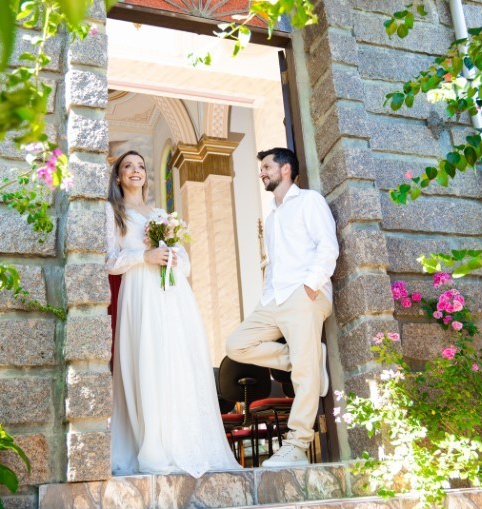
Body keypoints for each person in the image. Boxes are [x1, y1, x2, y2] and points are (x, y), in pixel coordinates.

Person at [106, 150, 241, 477]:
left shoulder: (159, 214)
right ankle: (151, 446)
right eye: (128, 166)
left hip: (170, 296)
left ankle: (180, 440)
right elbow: (109, 261)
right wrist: (145, 256)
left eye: (140, 166)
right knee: (146, 360)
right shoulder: (113, 212)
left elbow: (185, 262)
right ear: (119, 176)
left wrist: (175, 257)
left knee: (172, 361)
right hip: (139, 292)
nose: (135, 170)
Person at [226, 147, 339, 467]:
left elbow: (327, 245)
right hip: (274, 299)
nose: (261, 172)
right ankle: (308, 358)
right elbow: (274, 265)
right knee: (236, 345)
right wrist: (266, 297)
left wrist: (311, 286)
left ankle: (298, 445)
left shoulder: (309, 201)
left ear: (285, 169)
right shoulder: (272, 216)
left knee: (303, 373)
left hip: (305, 294)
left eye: (267, 166)